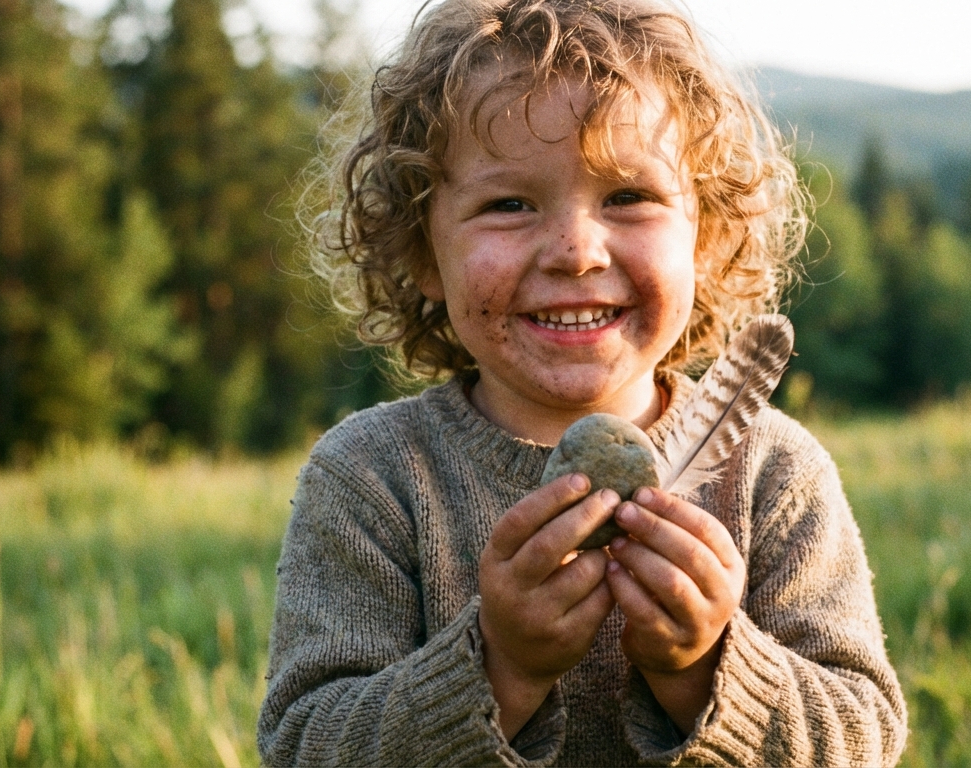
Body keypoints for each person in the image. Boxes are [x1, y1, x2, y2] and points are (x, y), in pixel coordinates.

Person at [259, 0, 907, 764]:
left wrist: (704, 669)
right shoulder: (372, 479)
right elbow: (304, 746)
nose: (574, 250)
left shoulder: (772, 474)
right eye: (508, 205)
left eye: (628, 197)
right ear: (421, 255)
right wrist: (500, 669)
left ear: (710, 236)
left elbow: (862, 738)